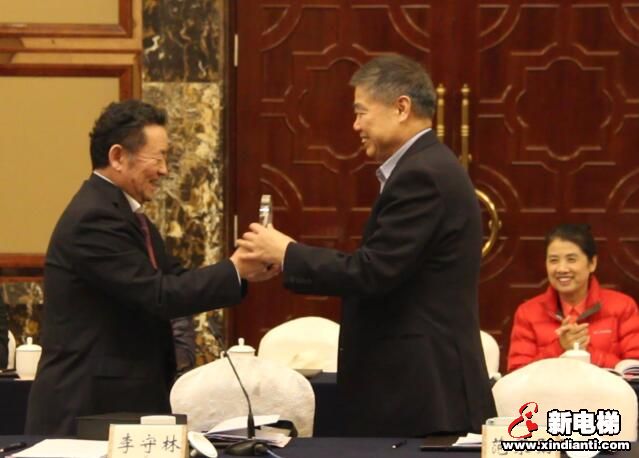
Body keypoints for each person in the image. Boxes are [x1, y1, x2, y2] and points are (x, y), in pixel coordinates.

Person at [237, 54, 496, 437]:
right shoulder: (427, 166)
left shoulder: (422, 175)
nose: (355, 125)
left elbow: (373, 271)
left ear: (401, 108)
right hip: (417, 387)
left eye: (361, 112)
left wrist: (287, 252)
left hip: (422, 393)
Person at [26, 100, 278, 435]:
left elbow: (173, 279)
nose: (165, 170)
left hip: (120, 401)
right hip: (87, 407)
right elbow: (158, 295)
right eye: (158, 158)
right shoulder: (94, 218)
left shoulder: (125, 214)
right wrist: (234, 268)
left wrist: (240, 272)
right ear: (118, 157)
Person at [508, 223, 639, 372]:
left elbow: (634, 372)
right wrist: (559, 347)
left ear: (592, 263)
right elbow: (517, 375)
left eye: (571, 259)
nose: (562, 269)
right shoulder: (527, 313)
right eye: (553, 260)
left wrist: (585, 353)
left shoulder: (623, 307)